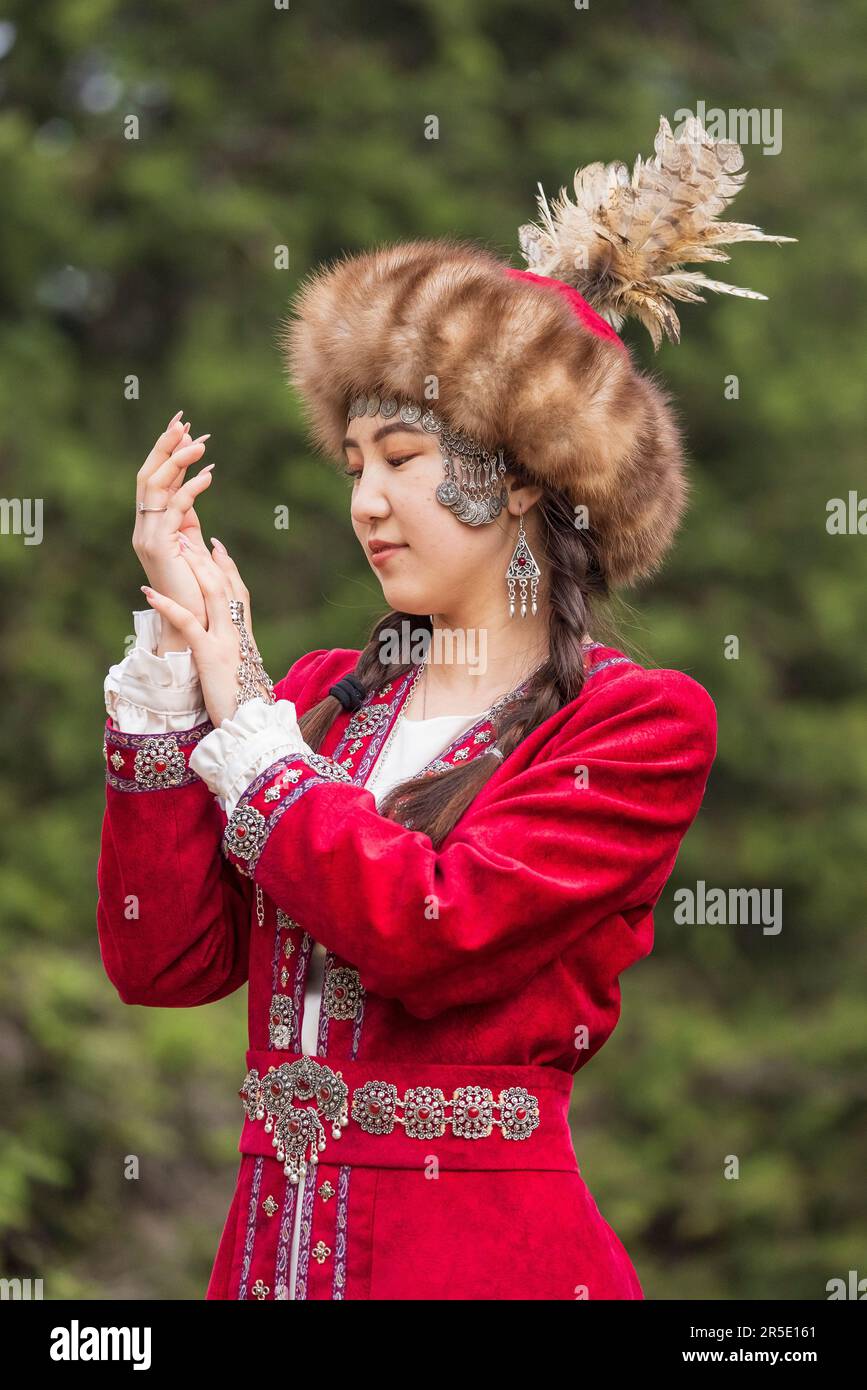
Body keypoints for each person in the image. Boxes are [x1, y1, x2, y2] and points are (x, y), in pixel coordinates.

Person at [96, 116, 791, 1300]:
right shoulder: (313, 700)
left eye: (404, 455)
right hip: (262, 1266)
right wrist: (178, 667)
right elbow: (163, 963)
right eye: (354, 460)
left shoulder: (635, 726)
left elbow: (435, 930)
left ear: (519, 472)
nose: (365, 499)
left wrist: (250, 734)